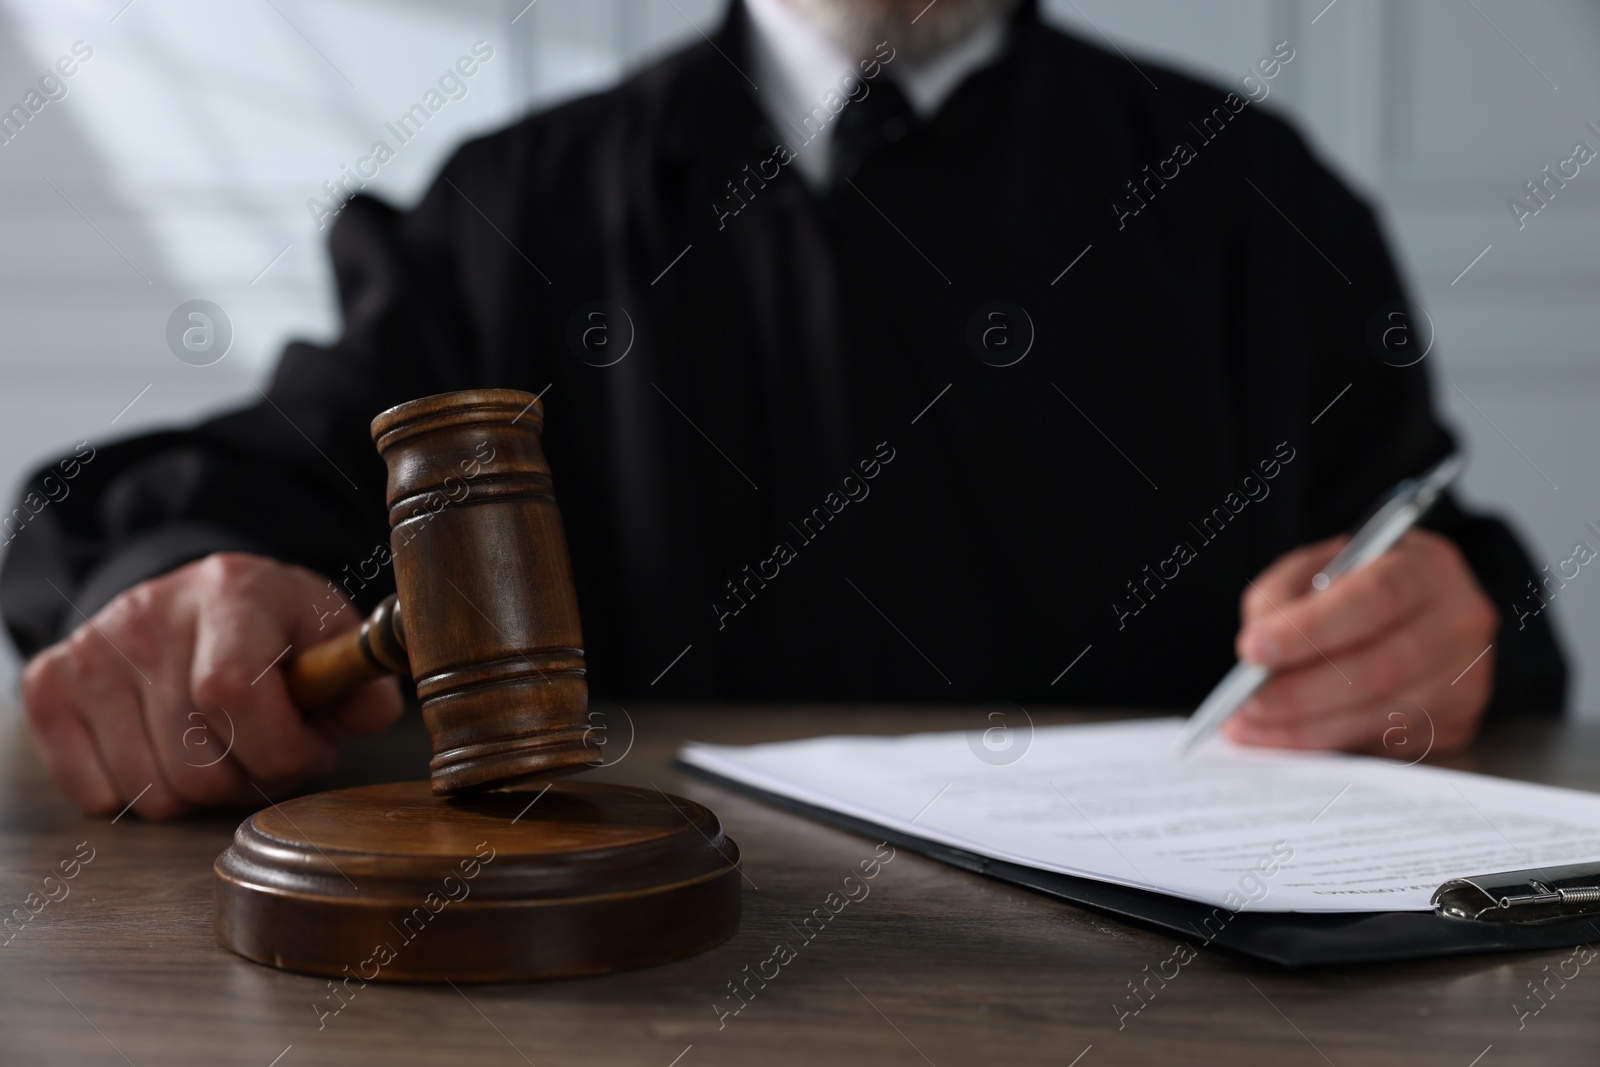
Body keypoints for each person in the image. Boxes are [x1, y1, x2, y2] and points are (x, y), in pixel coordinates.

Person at [0, 0, 1566, 820]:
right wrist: (184, 591)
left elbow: (1427, 540)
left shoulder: (1253, 197)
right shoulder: (514, 209)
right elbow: (257, 491)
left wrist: (1458, 626)